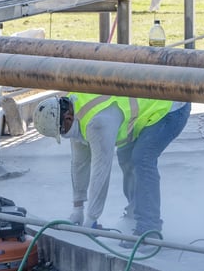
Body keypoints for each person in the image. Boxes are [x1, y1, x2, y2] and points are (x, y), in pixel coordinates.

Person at [32, 92, 191, 246]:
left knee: (142, 159)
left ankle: (150, 230)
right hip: (148, 112)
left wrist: (91, 220)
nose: (64, 136)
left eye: (61, 131)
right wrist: (77, 209)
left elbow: (101, 170)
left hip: (170, 108)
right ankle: (133, 216)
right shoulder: (72, 110)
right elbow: (79, 163)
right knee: (126, 156)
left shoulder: (97, 123)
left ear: (67, 118)